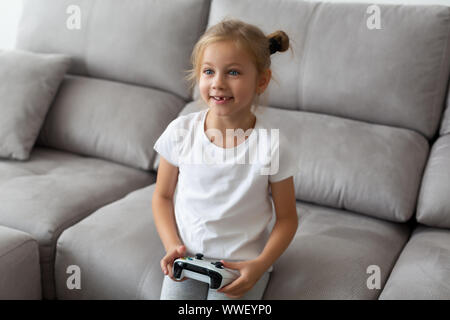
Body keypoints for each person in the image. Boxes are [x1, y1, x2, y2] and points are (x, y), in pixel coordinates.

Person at [152, 18, 299, 300]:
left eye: (233, 72)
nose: (218, 83)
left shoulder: (273, 145)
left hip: (240, 268)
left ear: (262, 81)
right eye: (209, 71)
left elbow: (287, 219)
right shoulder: (181, 131)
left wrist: (260, 264)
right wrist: (172, 246)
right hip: (186, 260)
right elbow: (162, 196)